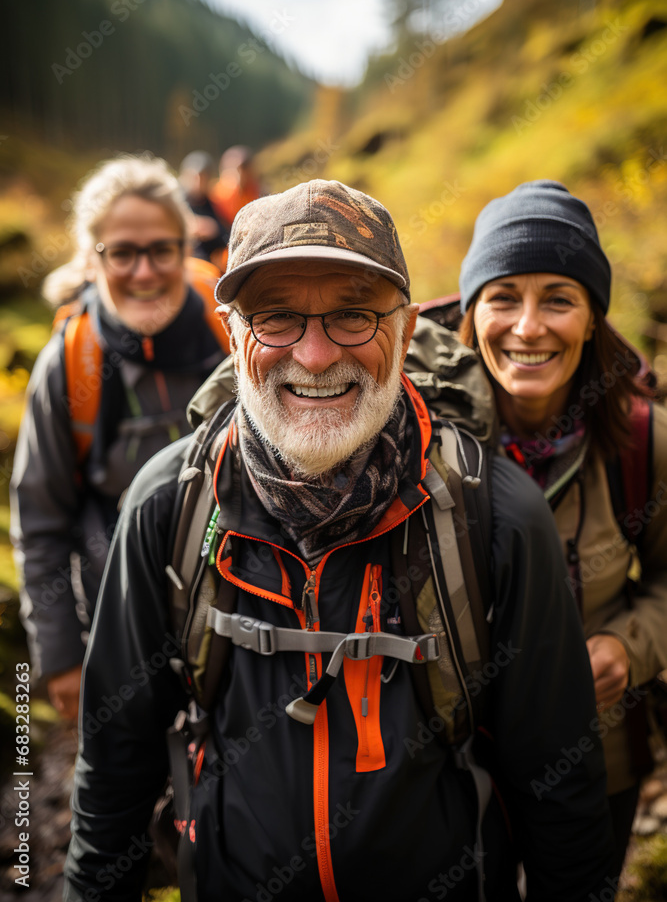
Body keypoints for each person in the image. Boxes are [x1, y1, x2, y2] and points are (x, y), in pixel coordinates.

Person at [64, 179, 613, 901]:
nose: (316, 356)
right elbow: (114, 766)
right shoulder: (170, 502)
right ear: (233, 332)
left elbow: (560, 789)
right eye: (276, 319)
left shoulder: (495, 515)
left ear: (407, 329)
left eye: (354, 315)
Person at [458, 178, 667, 880]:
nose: (526, 326)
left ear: (591, 317)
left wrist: (628, 645)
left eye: (557, 297)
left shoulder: (641, 441)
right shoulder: (420, 438)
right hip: (450, 766)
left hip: (596, 757)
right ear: (471, 312)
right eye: (502, 296)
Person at [10, 154, 229, 721]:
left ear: (188, 247)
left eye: (161, 249)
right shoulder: (69, 367)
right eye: (122, 252)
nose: (144, 271)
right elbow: (41, 520)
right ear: (92, 257)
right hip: (121, 620)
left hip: (243, 613)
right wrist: (58, 658)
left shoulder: (233, 329)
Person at [178, 150, 230, 269]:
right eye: (195, 178)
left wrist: (214, 228)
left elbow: (226, 235)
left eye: (203, 178)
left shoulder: (211, 203)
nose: (198, 183)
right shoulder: (175, 201)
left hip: (207, 265)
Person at [209, 143, 261, 226]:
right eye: (236, 170)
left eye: (243, 170)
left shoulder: (257, 190)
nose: (240, 176)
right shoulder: (215, 196)